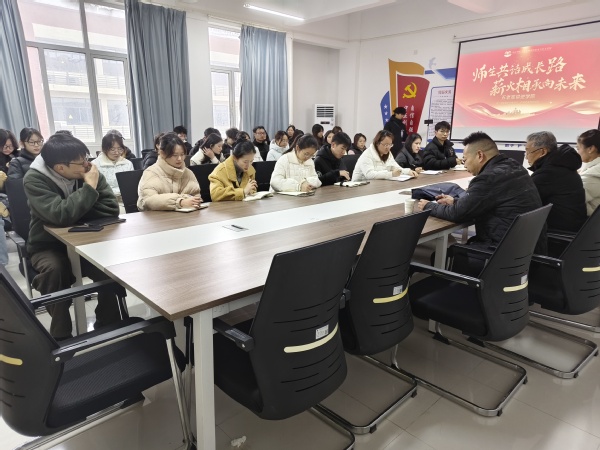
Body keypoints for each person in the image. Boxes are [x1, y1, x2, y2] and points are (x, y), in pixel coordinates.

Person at [23, 133, 122, 339]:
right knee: (55, 270)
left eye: (86, 158)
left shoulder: (88, 169)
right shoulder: (34, 179)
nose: (87, 164)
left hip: (86, 239)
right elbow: (59, 215)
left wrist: (72, 210)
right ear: (61, 168)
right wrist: (89, 189)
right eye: (80, 162)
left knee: (110, 267)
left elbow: (111, 208)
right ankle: (61, 335)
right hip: (47, 244)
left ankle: (109, 322)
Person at [417, 131, 546, 257]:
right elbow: (487, 200)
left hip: (500, 254)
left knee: (441, 255)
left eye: (465, 159)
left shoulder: (488, 178)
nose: (465, 164)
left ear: (480, 155)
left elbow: (457, 213)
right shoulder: (515, 166)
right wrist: (455, 201)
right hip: (527, 252)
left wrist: (428, 206)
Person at [526, 131, 586, 232]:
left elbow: (524, 201)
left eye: (528, 151)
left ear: (542, 152)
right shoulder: (564, 166)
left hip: (558, 233)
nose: (526, 156)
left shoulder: (547, 173)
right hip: (576, 230)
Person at [137, 132, 201, 211]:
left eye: (182, 154)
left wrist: (188, 201)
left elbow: (196, 197)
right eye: (175, 155)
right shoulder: (151, 173)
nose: (180, 159)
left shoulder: (188, 173)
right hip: (158, 217)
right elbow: (148, 201)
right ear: (162, 153)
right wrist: (179, 202)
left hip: (186, 217)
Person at [352, 130, 418, 181]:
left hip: (377, 185)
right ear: (377, 143)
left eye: (390, 145)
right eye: (386, 145)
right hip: (360, 186)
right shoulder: (367, 154)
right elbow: (369, 175)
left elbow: (396, 168)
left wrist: (408, 171)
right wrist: (391, 174)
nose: (388, 147)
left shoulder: (388, 153)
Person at [92, 132, 134, 199]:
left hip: (124, 198)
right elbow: (95, 188)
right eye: (112, 149)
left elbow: (131, 185)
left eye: (120, 149)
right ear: (104, 149)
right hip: (104, 200)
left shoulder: (128, 164)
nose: (117, 152)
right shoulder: (95, 165)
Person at [576, 129, 600, 216]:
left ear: (590, 149)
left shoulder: (593, 175)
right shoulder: (590, 167)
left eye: (578, 148)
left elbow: (573, 198)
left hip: (590, 222)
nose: (577, 152)